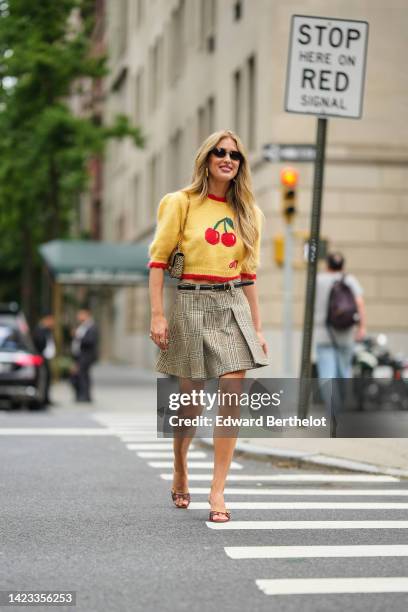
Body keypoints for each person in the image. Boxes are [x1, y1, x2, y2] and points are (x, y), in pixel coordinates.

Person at [148, 129, 269, 523]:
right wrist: (157, 314)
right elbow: (159, 262)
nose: (227, 159)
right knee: (192, 404)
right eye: (220, 152)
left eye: (235, 155)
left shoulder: (250, 213)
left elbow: (249, 276)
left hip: (232, 301)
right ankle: (180, 464)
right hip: (191, 301)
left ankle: (217, 491)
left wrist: (258, 328)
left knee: (233, 391)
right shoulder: (180, 203)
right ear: (206, 158)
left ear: (241, 164)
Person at [314, 252, 366, 435]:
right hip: (345, 334)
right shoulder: (350, 280)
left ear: (327, 264)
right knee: (344, 372)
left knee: (327, 375)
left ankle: (332, 413)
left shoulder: (318, 280)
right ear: (343, 265)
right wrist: (362, 328)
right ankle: (341, 410)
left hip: (323, 334)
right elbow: (359, 303)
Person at [70, 306, 98, 403]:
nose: (78, 316)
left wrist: (77, 336)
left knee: (82, 374)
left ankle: (85, 396)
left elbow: (90, 341)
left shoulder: (91, 326)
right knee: (81, 375)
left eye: (80, 314)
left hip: (86, 355)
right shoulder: (82, 326)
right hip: (79, 355)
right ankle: (82, 395)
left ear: (86, 314)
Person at [32, 313, 56, 406]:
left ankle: (46, 398)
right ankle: (42, 398)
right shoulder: (39, 330)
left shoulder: (47, 330)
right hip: (41, 357)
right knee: (42, 378)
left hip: (46, 357)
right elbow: (39, 343)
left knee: (47, 378)